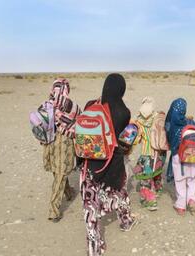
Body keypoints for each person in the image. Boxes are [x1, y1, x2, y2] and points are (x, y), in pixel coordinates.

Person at [80, 73, 137, 256]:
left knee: (90, 206)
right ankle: (126, 222)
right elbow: (124, 141)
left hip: (90, 164)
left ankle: (94, 247)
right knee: (119, 192)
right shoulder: (124, 112)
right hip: (112, 163)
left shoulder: (91, 105)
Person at [43, 78, 81, 222]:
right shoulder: (71, 106)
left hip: (50, 142)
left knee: (58, 172)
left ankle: (69, 192)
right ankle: (53, 209)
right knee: (61, 173)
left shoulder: (47, 105)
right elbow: (80, 119)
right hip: (64, 143)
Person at [165, 98, 195, 216]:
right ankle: (191, 199)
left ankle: (181, 206)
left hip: (179, 156)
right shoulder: (190, 122)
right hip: (194, 156)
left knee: (180, 180)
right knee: (192, 178)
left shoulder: (171, 125)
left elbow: (168, 139)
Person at [132, 97, 167, 211]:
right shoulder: (158, 118)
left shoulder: (138, 123)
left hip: (146, 153)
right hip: (159, 152)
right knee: (157, 173)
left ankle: (149, 201)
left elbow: (136, 140)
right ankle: (157, 190)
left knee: (145, 179)